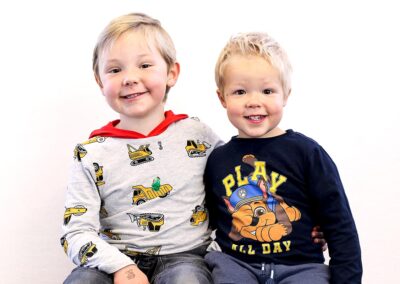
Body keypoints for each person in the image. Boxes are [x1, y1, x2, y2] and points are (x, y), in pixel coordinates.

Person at [61, 12, 223, 284]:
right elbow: (75, 232)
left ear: (172, 73)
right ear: (100, 81)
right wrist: (120, 267)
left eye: (145, 65)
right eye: (115, 69)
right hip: (114, 258)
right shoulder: (90, 153)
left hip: (186, 258)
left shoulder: (198, 135)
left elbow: (240, 181)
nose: (129, 78)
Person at [204, 32, 362, 283]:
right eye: (240, 91)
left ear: (286, 94)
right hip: (237, 266)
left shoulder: (307, 153)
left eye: (267, 90)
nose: (254, 101)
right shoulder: (216, 160)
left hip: (302, 268)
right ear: (222, 97)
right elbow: (207, 219)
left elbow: (339, 224)